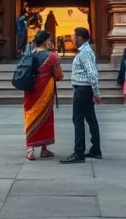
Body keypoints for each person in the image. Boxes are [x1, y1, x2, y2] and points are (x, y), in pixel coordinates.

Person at [61, 27, 101, 164]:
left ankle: (79, 152)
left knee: (78, 120)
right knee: (90, 118)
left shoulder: (85, 52)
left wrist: (96, 92)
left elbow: (92, 73)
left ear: (80, 38)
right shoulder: (86, 51)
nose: (72, 38)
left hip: (83, 89)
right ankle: (96, 149)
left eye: (73, 36)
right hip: (86, 88)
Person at [24, 30, 64, 160]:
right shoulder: (52, 56)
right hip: (45, 90)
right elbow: (59, 75)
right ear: (46, 41)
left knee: (30, 115)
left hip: (29, 89)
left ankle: (30, 148)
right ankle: (44, 148)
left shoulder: (29, 54)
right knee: (46, 117)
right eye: (49, 40)